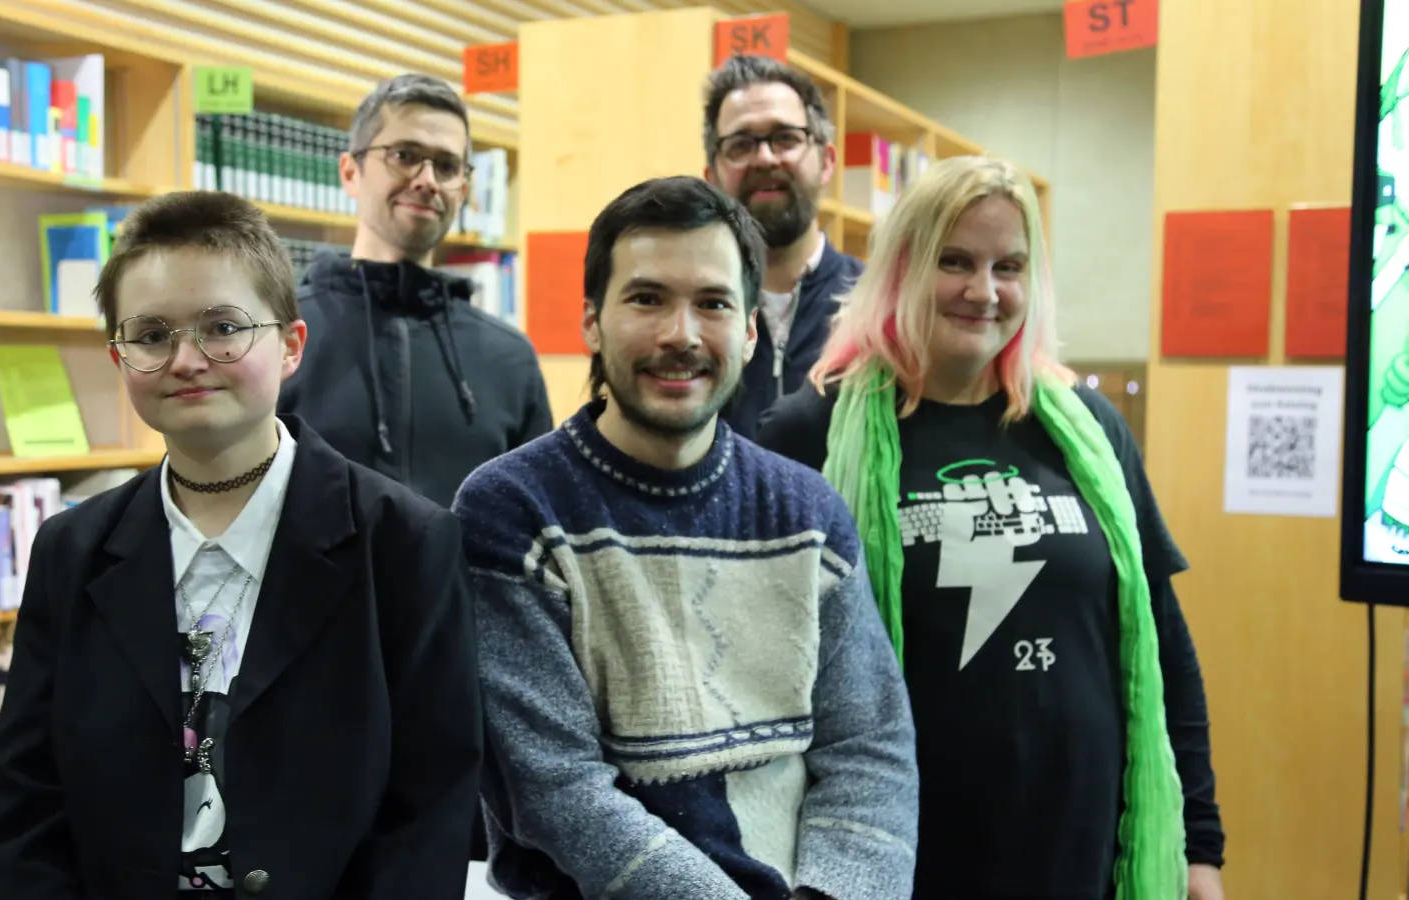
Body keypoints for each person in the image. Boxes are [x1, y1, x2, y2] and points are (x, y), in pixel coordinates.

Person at [0, 190, 482, 900]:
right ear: (119, 357)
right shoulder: (72, 549)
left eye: (223, 328)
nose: (187, 359)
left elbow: (429, 816)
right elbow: (27, 803)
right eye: (152, 335)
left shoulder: (405, 543)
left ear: (291, 345)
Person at [755, 156, 1225, 900]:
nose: (984, 291)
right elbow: (765, 672)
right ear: (903, 269)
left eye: (1009, 266)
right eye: (955, 262)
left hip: (1083, 858)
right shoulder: (806, 434)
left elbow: (1164, 646)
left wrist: (1199, 847)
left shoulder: (1089, 430)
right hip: (899, 861)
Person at [452, 175, 919, 900]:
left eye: (713, 303)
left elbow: (870, 750)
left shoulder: (809, 513)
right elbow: (557, 789)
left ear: (750, 330)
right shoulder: (512, 511)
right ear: (591, 322)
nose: (681, 334)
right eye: (647, 299)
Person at [279, 72, 552, 510]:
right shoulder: (279, 339)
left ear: (462, 190)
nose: (427, 180)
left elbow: (535, 520)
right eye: (404, 156)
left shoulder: (510, 360)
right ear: (350, 172)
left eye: (446, 166)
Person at [702, 53, 864, 439]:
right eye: (740, 144)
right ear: (712, 177)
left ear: (826, 162)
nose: (764, 158)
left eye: (786, 138)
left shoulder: (879, 305)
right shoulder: (692, 314)